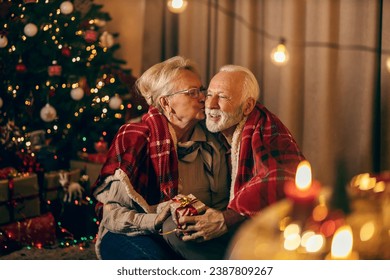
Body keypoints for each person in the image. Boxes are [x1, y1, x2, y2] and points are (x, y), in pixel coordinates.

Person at [92, 56, 230, 260]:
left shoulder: (212, 142)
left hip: (185, 236)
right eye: (192, 92)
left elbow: (220, 203)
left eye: (201, 90)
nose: (203, 98)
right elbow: (112, 215)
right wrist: (156, 220)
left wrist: (205, 221)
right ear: (166, 103)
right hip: (132, 231)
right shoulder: (135, 137)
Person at [162, 64, 305, 259]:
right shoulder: (213, 127)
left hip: (270, 235)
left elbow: (283, 177)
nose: (210, 104)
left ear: (247, 106)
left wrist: (225, 219)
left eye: (222, 97)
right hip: (230, 222)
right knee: (176, 227)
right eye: (209, 94)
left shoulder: (265, 130)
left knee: (174, 230)